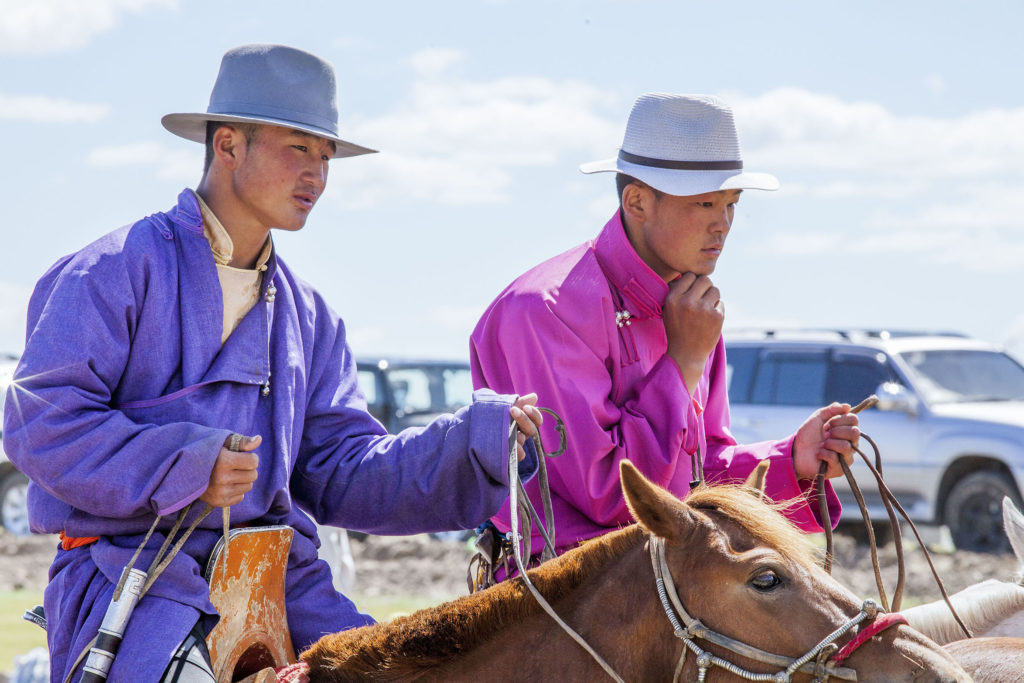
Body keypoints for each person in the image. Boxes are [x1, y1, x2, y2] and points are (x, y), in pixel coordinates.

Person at [3, 44, 543, 682]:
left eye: (326, 155)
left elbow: (341, 472)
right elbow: (42, 426)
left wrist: (471, 444)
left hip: (280, 583)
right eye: (298, 148)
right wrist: (184, 464)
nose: (317, 173)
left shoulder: (310, 318)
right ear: (228, 145)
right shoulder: (110, 272)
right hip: (136, 579)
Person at [470, 93, 860, 563]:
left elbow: (698, 473)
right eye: (704, 203)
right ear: (637, 201)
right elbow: (612, 495)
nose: (724, 224)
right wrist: (683, 363)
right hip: (563, 603)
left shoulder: (687, 306)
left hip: (662, 584)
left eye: (731, 203)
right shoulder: (544, 310)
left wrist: (794, 459)